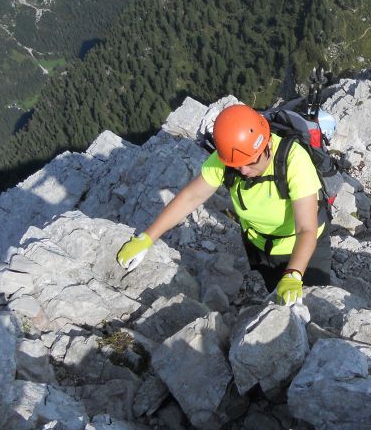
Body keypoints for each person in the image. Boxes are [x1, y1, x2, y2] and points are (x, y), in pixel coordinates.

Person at [115, 104, 331, 305]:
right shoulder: (229, 158)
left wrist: (293, 274)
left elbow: (307, 229)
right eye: (238, 166)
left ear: (267, 143)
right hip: (259, 247)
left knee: (312, 309)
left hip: (304, 250)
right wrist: (147, 238)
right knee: (276, 299)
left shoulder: (294, 160)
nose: (244, 171)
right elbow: (191, 197)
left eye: (251, 161)